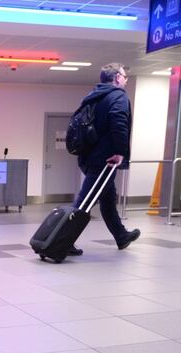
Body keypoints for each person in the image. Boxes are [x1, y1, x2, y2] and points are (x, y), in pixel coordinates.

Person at [70, 62, 140, 255]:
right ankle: (64, 239)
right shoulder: (118, 97)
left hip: (90, 156)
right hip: (106, 159)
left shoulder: (94, 96)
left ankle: (121, 235)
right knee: (85, 202)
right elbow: (119, 123)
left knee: (108, 199)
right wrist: (120, 152)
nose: (126, 80)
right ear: (117, 77)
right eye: (125, 76)